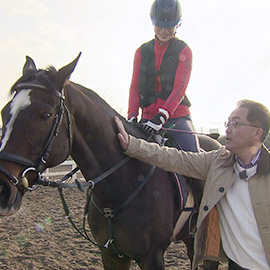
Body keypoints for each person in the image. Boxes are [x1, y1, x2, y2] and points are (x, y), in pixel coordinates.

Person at [115, 99, 270, 270]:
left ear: (257, 133)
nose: (228, 128)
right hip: (236, 265)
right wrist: (132, 145)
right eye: (228, 122)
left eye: (236, 123)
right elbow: (174, 158)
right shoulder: (219, 162)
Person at [128, 0, 199, 153]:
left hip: (176, 119)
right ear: (153, 23)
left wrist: (162, 116)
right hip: (147, 120)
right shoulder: (141, 52)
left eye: (170, 26)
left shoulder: (184, 51)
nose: (164, 31)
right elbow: (135, 86)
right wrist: (132, 116)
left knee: (194, 157)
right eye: (159, 25)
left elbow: (180, 88)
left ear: (177, 24)